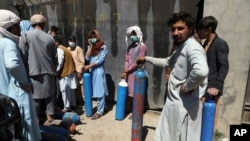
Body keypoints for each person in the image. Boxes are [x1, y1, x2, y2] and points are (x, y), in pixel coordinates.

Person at [136, 11, 209, 141]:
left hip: (184, 108)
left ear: (190, 29)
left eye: (180, 28)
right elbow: (167, 62)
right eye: (173, 29)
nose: (175, 32)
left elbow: (201, 71)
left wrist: (187, 86)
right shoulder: (181, 48)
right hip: (175, 104)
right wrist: (146, 58)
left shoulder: (192, 48)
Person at [0, 9, 41, 141]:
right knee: (26, 128)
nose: (19, 29)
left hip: (5, 95)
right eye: (16, 26)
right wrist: (25, 82)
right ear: (9, 28)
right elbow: (12, 64)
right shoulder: (8, 43)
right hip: (17, 94)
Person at [19, 14, 58, 122]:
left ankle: (36, 127)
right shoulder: (50, 38)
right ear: (44, 24)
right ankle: (50, 120)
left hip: (32, 74)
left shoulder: (26, 36)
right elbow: (55, 59)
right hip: (49, 73)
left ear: (32, 24)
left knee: (35, 102)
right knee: (50, 100)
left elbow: (23, 57)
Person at [197, 16, 229, 130]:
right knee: (200, 121)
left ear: (209, 29)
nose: (199, 31)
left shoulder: (220, 44)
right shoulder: (205, 43)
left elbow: (224, 66)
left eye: (201, 28)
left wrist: (217, 86)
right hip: (202, 86)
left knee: (209, 122)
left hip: (212, 89)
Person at [120, 26, 147, 119]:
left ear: (139, 34)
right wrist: (125, 69)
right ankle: (129, 109)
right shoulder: (130, 46)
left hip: (137, 73)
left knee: (136, 92)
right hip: (129, 73)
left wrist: (129, 69)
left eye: (134, 34)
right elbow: (127, 59)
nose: (132, 36)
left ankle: (136, 111)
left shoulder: (142, 47)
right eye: (131, 35)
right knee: (129, 92)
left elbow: (138, 61)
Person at [84, 30, 109, 120]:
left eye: (94, 37)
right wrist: (90, 47)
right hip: (92, 72)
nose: (93, 39)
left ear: (98, 37)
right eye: (91, 37)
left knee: (99, 91)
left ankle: (99, 112)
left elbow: (100, 61)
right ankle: (104, 107)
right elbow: (87, 57)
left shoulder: (103, 47)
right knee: (98, 90)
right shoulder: (90, 48)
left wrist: (89, 66)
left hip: (98, 71)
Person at [55, 35, 78, 112]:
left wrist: (56, 71)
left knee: (65, 91)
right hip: (70, 72)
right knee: (71, 91)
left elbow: (59, 62)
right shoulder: (65, 49)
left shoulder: (59, 49)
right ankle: (72, 105)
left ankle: (67, 107)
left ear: (57, 42)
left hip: (65, 74)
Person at [67, 35, 85, 104]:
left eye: (73, 41)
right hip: (71, 72)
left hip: (78, 71)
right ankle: (76, 102)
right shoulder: (67, 49)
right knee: (73, 88)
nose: (72, 43)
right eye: (70, 41)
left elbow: (82, 61)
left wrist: (79, 72)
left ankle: (81, 101)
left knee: (80, 88)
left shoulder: (78, 49)